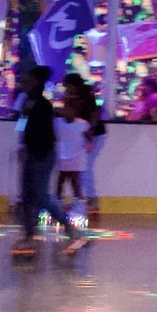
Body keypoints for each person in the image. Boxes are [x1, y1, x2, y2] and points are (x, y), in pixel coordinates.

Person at [14, 66, 83, 252]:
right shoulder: (28, 102)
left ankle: (68, 227)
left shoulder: (44, 106)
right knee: (27, 196)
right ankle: (29, 234)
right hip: (33, 153)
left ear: (36, 83)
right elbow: (22, 124)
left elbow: (46, 134)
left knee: (41, 196)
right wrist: (21, 145)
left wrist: (32, 148)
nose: (24, 84)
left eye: (27, 81)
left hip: (42, 155)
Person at [62, 73, 105, 224]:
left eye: (67, 86)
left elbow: (94, 115)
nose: (66, 89)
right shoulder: (72, 97)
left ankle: (91, 200)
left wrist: (90, 132)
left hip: (95, 135)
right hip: (86, 135)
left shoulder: (87, 95)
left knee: (85, 167)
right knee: (80, 168)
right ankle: (83, 200)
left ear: (73, 85)